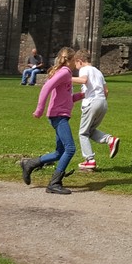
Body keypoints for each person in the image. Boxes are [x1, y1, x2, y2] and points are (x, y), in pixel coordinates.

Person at [22, 47, 86, 194]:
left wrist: (82, 95)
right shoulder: (64, 72)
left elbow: (66, 98)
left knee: (60, 152)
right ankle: (54, 183)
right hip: (58, 116)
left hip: (60, 115)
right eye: (75, 59)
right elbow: (46, 88)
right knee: (70, 149)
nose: (76, 62)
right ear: (70, 60)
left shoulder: (64, 73)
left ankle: (30, 164)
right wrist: (39, 109)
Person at [70, 48, 120, 170]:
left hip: (92, 103)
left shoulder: (84, 69)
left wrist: (67, 78)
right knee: (90, 130)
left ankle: (89, 160)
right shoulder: (98, 71)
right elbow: (106, 90)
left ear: (79, 61)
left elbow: (84, 80)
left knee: (82, 133)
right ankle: (110, 140)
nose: (76, 68)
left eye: (76, 64)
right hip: (103, 103)